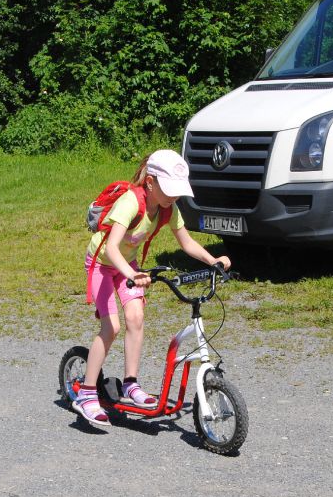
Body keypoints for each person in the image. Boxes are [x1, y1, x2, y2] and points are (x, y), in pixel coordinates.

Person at [74, 149, 231, 427]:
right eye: (169, 189)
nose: (174, 196)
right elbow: (111, 247)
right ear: (150, 182)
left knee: (136, 317)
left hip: (128, 265)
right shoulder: (130, 202)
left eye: (177, 191)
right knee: (112, 327)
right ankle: (86, 393)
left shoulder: (168, 208)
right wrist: (132, 274)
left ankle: (130, 384)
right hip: (102, 262)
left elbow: (186, 242)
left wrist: (213, 260)